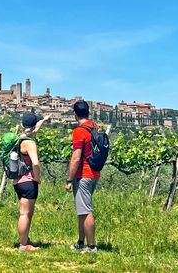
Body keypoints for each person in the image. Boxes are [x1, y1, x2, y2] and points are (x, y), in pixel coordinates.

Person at [65, 100, 100, 253]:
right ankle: (80, 242)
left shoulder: (79, 131)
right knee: (82, 209)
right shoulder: (94, 127)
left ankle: (91, 246)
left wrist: (69, 179)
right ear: (88, 112)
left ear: (75, 114)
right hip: (94, 173)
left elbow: (76, 158)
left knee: (86, 210)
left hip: (83, 175)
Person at [13, 112, 50, 252]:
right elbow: (35, 163)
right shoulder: (30, 143)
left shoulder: (20, 138)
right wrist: (37, 177)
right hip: (29, 182)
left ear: (23, 125)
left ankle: (25, 239)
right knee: (25, 214)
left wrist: (44, 120)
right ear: (33, 126)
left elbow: (35, 129)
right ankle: (24, 245)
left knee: (26, 213)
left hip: (18, 181)